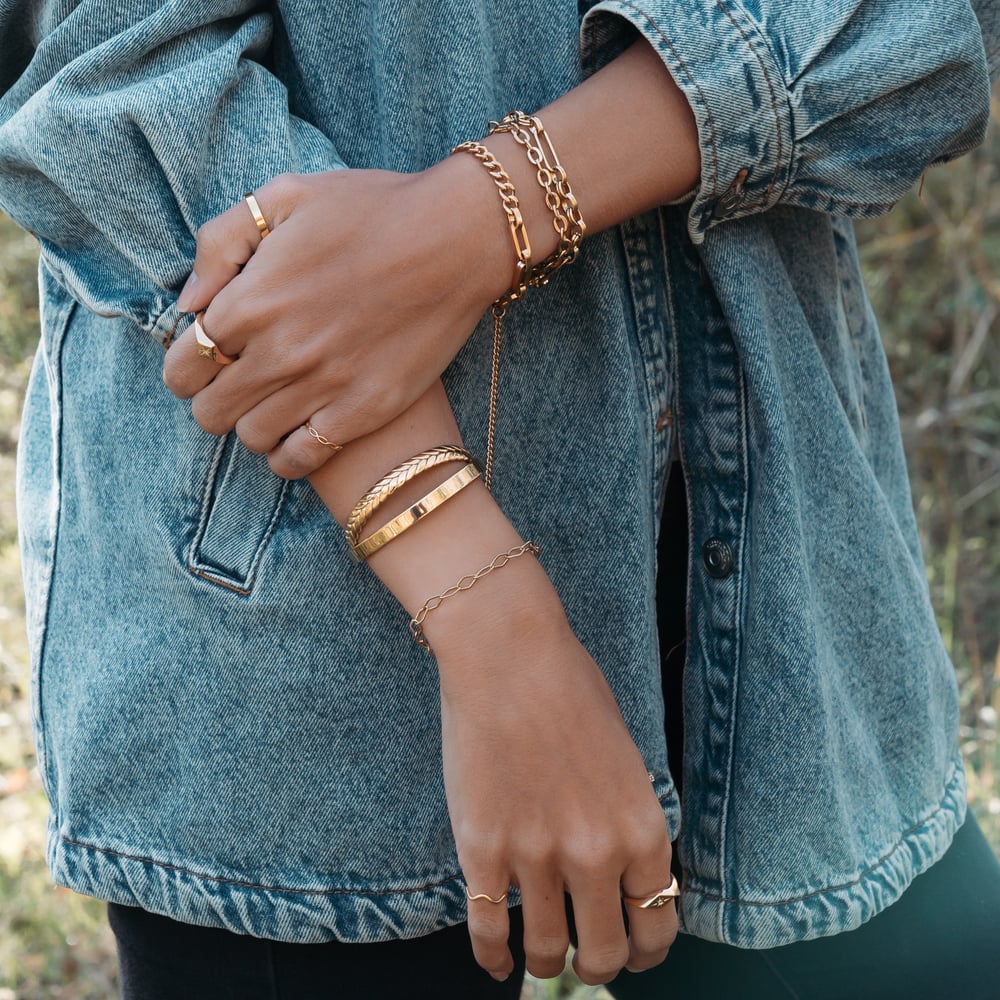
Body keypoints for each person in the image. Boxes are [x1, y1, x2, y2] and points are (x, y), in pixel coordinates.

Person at [1, 2, 998, 998]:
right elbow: (118, 78)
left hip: (769, 535)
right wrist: (489, 617)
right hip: (295, 626)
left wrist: (481, 216)